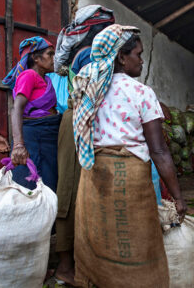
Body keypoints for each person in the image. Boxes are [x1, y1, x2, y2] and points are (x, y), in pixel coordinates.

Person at [72, 24, 186, 288]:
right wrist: (178, 197)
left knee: (97, 238)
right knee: (137, 242)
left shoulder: (88, 90)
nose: (142, 60)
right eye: (138, 54)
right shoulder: (141, 93)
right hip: (130, 178)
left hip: (94, 176)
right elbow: (159, 150)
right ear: (121, 57)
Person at [53, 5, 114, 286]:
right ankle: (66, 265)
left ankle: (81, 259)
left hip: (83, 119)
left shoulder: (89, 54)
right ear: (97, 31)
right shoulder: (90, 54)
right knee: (71, 188)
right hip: (80, 120)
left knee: (84, 189)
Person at [2, 36, 61, 192]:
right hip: (32, 137)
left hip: (47, 136)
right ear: (36, 58)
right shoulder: (29, 76)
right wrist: (19, 144)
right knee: (28, 185)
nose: (54, 59)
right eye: (50, 54)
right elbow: (16, 109)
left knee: (48, 183)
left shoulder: (46, 79)